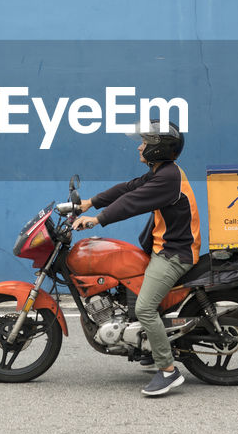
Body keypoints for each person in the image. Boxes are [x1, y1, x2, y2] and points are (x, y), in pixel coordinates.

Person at [73, 120, 200, 397]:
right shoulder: (163, 171)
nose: (140, 146)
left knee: (144, 309)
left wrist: (97, 219)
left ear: (158, 149)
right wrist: (91, 202)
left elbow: (132, 202)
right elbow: (127, 188)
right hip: (162, 246)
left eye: (145, 143)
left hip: (174, 253)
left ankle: (168, 370)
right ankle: (148, 347)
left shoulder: (167, 178)